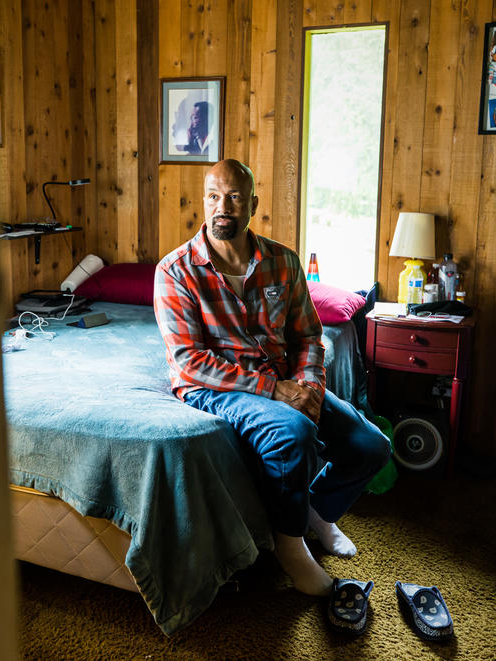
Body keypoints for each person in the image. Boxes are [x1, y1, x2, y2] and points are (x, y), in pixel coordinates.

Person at [153, 159, 391, 597]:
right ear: (203, 201)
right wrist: (275, 390)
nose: (222, 207)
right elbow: (188, 359)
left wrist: (311, 388)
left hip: (286, 376)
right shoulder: (175, 270)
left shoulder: (283, 260)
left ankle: (318, 512)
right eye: (213, 197)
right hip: (215, 387)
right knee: (292, 431)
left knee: (372, 446)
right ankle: (289, 544)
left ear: (252, 205)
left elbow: (309, 335)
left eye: (235, 197)